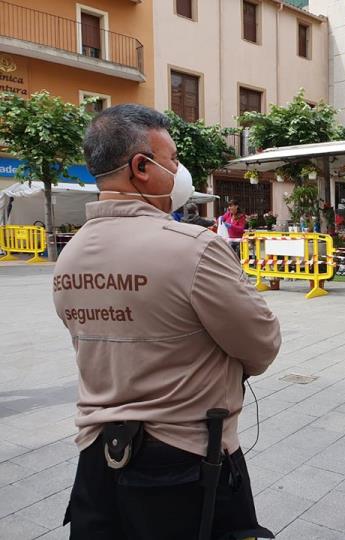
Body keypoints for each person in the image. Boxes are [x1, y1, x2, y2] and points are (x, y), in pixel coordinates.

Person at [53, 104, 280, 539]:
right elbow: (262, 342)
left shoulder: (70, 256)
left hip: (97, 461)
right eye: (173, 159)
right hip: (187, 462)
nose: (179, 170)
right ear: (142, 167)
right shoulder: (194, 248)